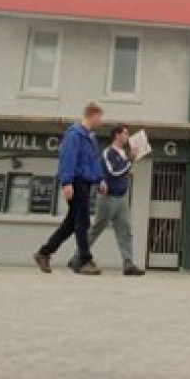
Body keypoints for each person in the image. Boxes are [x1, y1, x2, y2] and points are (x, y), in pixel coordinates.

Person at [34, 103, 106, 275]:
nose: (101, 121)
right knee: (82, 221)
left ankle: (44, 253)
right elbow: (67, 159)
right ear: (93, 115)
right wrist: (66, 183)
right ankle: (84, 260)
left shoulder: (91, 138)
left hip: (86, 183)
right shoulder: (75, 135)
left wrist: (100, 179)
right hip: (76, 182)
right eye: (100, 117)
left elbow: (94, 162)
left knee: (71, 223)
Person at [68, 123, 145, 276]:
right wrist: (130, 161)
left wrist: (129, 160)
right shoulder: (108, 153)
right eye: (125, 134)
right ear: (117, 135)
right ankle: (77, 258)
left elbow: (123, 171)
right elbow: (113, 172)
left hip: (121, 198)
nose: (127, 137)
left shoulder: (123, 153)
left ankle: (128, 265)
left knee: (125, 231)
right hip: (107, 198)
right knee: (96, 229)